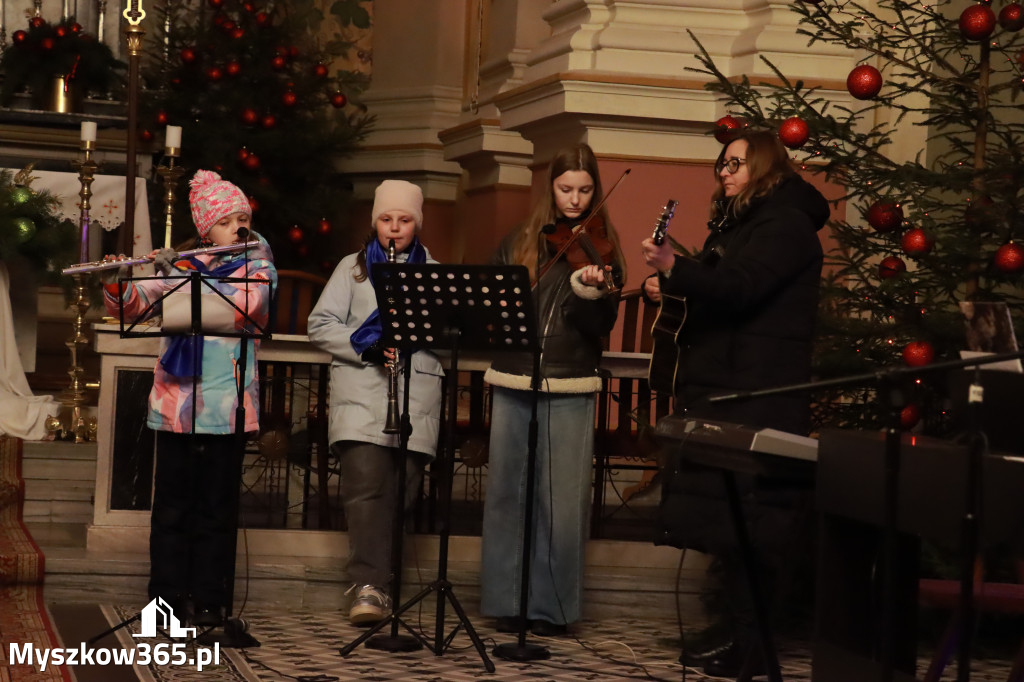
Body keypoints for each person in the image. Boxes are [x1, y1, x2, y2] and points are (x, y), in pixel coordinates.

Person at [640, 129, 828, 676]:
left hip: (759, 393)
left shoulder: (785, 225)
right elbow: (723, 291)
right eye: (721, 163)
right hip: (732, 388)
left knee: (753, 526)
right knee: (732, 527)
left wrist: (679, 268)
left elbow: (743, 289)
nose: (724, 171)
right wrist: (675, 283)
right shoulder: (746, 223)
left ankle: (751, 643)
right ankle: (735, 633)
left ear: (767, 167)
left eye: (737, 163)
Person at [101, 170, 277, 627]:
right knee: (172, 509)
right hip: (175, 406)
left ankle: (210, 600)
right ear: (206, 231)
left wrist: (178, 281)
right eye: (227, 220)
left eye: (244, 217)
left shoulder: (257, 266)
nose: (238, 226)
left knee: (217, 510)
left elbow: (247, 307)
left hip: (227, 408)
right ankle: (165, 602)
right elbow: (135, 305)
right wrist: (122, 282)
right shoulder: (185, 267)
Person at [480, 143, 627, 637]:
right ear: (551, 187)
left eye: (585, 191)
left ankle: (552, 609)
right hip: (514, 373)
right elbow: (491, 305)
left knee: (560, 503)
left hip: (570, 378)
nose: (575, 200)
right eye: (566, 189)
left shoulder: (604, 246)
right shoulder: (520, 240)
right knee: (507, 495)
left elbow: (601, 324)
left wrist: (589, 290)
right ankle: (505, 601)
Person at [307, 180, 444, 626]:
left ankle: (384, 586)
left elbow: (450, 340)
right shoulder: (352, 268)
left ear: (416, 224)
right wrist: (367, 346)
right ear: (375, 222)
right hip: (362, 396)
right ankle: (368, 586)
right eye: (386, 219)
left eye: (404, 220)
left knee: (400, 494)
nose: (395, 228)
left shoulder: (434, 271)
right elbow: (320, 324)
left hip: (414, 398)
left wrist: (423, 335)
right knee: (366, 492)